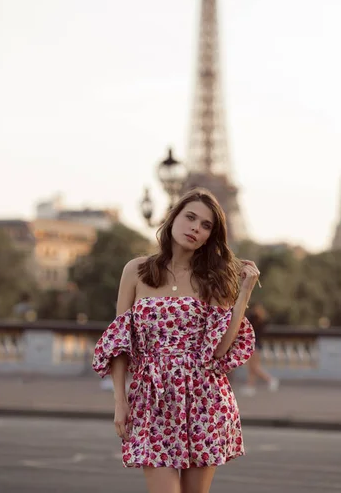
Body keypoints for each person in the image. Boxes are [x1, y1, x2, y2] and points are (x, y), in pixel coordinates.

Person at [92, 188, 259, 493]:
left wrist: (243, 294)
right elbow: (120, 342)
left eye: (206, 225)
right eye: (190, 217)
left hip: (205, 398)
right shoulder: (136, 271)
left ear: (210, 236)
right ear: (172, 219)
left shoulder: (213, 279)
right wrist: (120, 401)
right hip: (151, 399)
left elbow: (219, 352)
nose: (196, 227)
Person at [242, 302, 279, 395]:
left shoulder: (255, 319)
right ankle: (250, 386)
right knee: (251, 368)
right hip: (255, 344)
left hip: (254, 345)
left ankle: (270, 379)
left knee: (254, 367)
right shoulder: (260, 320)